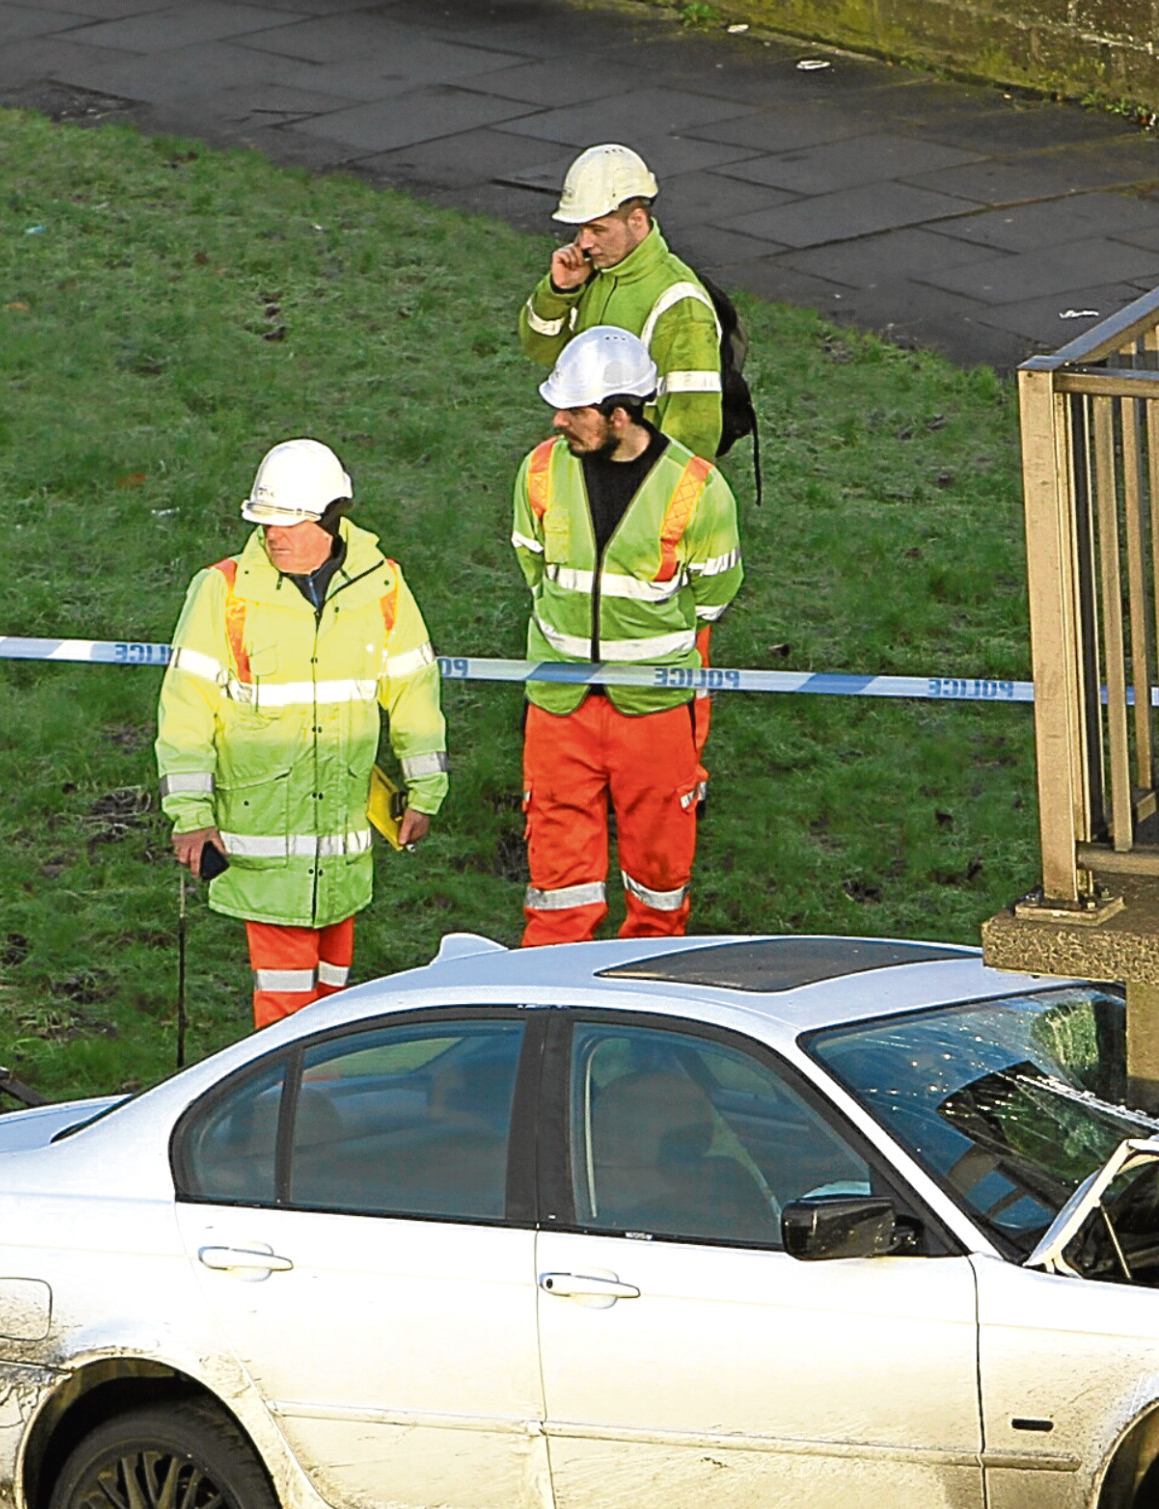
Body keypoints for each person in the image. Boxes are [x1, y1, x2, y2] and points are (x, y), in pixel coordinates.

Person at [156, 439, 448, 1028]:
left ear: (328, 521)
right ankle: (291, 1109)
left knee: (331, 1007)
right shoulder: (223, 591)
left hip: (341, 852)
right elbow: (186, 708)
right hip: (263, 844)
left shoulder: (384, 586)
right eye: (263, 523)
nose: (271, 535)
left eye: (284, 523)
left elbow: (414, 689)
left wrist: (426, 789)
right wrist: (189, 814)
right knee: (287, 1012)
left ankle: (311, 1105)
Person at [512, 326, 742, 946]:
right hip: (559, 703)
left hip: (655, 707)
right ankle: (551, 993)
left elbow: (713, 599)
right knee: (557, 883)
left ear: (619, 414)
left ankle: (648, 988)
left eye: (574, 410)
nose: (558, 422)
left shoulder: (696, 490)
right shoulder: (538, 472)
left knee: (660, 877)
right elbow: (533, 568)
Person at [517, 143, 726, 457]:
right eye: (581, 228)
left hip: (637, 471)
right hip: (593, 453)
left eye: (598, 229)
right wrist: (559, 292)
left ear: (637, 221)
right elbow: (542, 349)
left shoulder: (681, 304)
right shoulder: (592, 273)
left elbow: (694, 422)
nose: (585, 242)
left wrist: (660, 492)